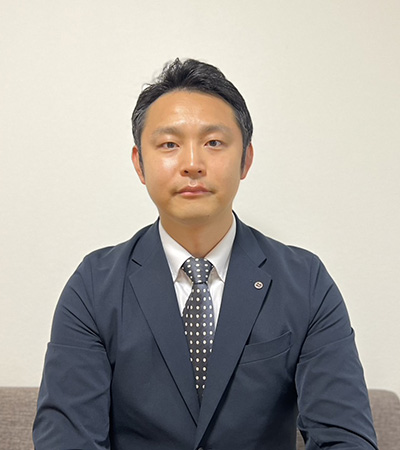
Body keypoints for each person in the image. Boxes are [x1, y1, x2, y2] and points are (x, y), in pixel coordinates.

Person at [33, 58, 378, 449]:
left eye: (213, 143)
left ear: (246, 159)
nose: (193, 164)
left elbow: (344, 437)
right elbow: (67, 440)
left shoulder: (306, 281)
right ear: (140, 164)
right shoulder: (94, 286)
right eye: (169, 144)